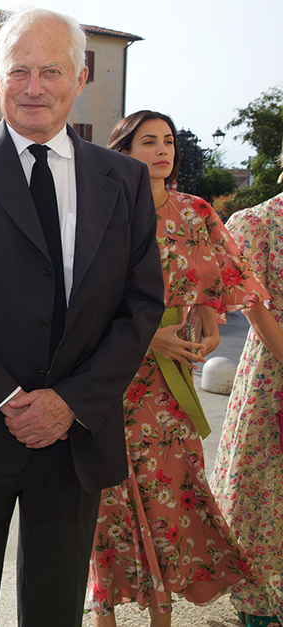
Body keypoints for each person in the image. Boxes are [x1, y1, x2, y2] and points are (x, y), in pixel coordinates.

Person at [0, 7, 166, 627]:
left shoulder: (124, 180)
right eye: (19, 70)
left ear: (80, 79)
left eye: (51, 70)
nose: (34, 86)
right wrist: (7, 397)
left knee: (55, 609)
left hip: (72, 437)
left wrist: (71, 402)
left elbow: (141, 304)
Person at [88, 110, 263, 626]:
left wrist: (208, 324)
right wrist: (147, 337)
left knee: (172, 497)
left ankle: (162, 611)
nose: (163, 150)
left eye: (168, 141)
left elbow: (216, 275)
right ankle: (104, 614)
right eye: (148, 142)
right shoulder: (101, 212)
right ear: (122, 151)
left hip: (171, 386)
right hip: (111, 377)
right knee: (109, 501)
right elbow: (80, 302)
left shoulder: (195, 211)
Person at [212, 162, 283, 627]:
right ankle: (256, 598)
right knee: (260, 481)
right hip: (272, 370)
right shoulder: (256, 223)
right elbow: (253, 307)